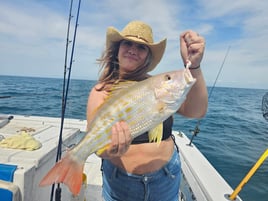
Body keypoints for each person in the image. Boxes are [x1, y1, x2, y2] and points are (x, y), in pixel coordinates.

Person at [86, 20, 208, 201]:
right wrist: (110, 151)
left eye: (142, 47)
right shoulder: (102, 91)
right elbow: (97, 146)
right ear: (117, 49)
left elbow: (196, 111)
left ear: (148, 56)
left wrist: (193, 65)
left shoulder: (159, 86)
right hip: (121, 183)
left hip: (166, 178)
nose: (133, 49)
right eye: (127, 43)